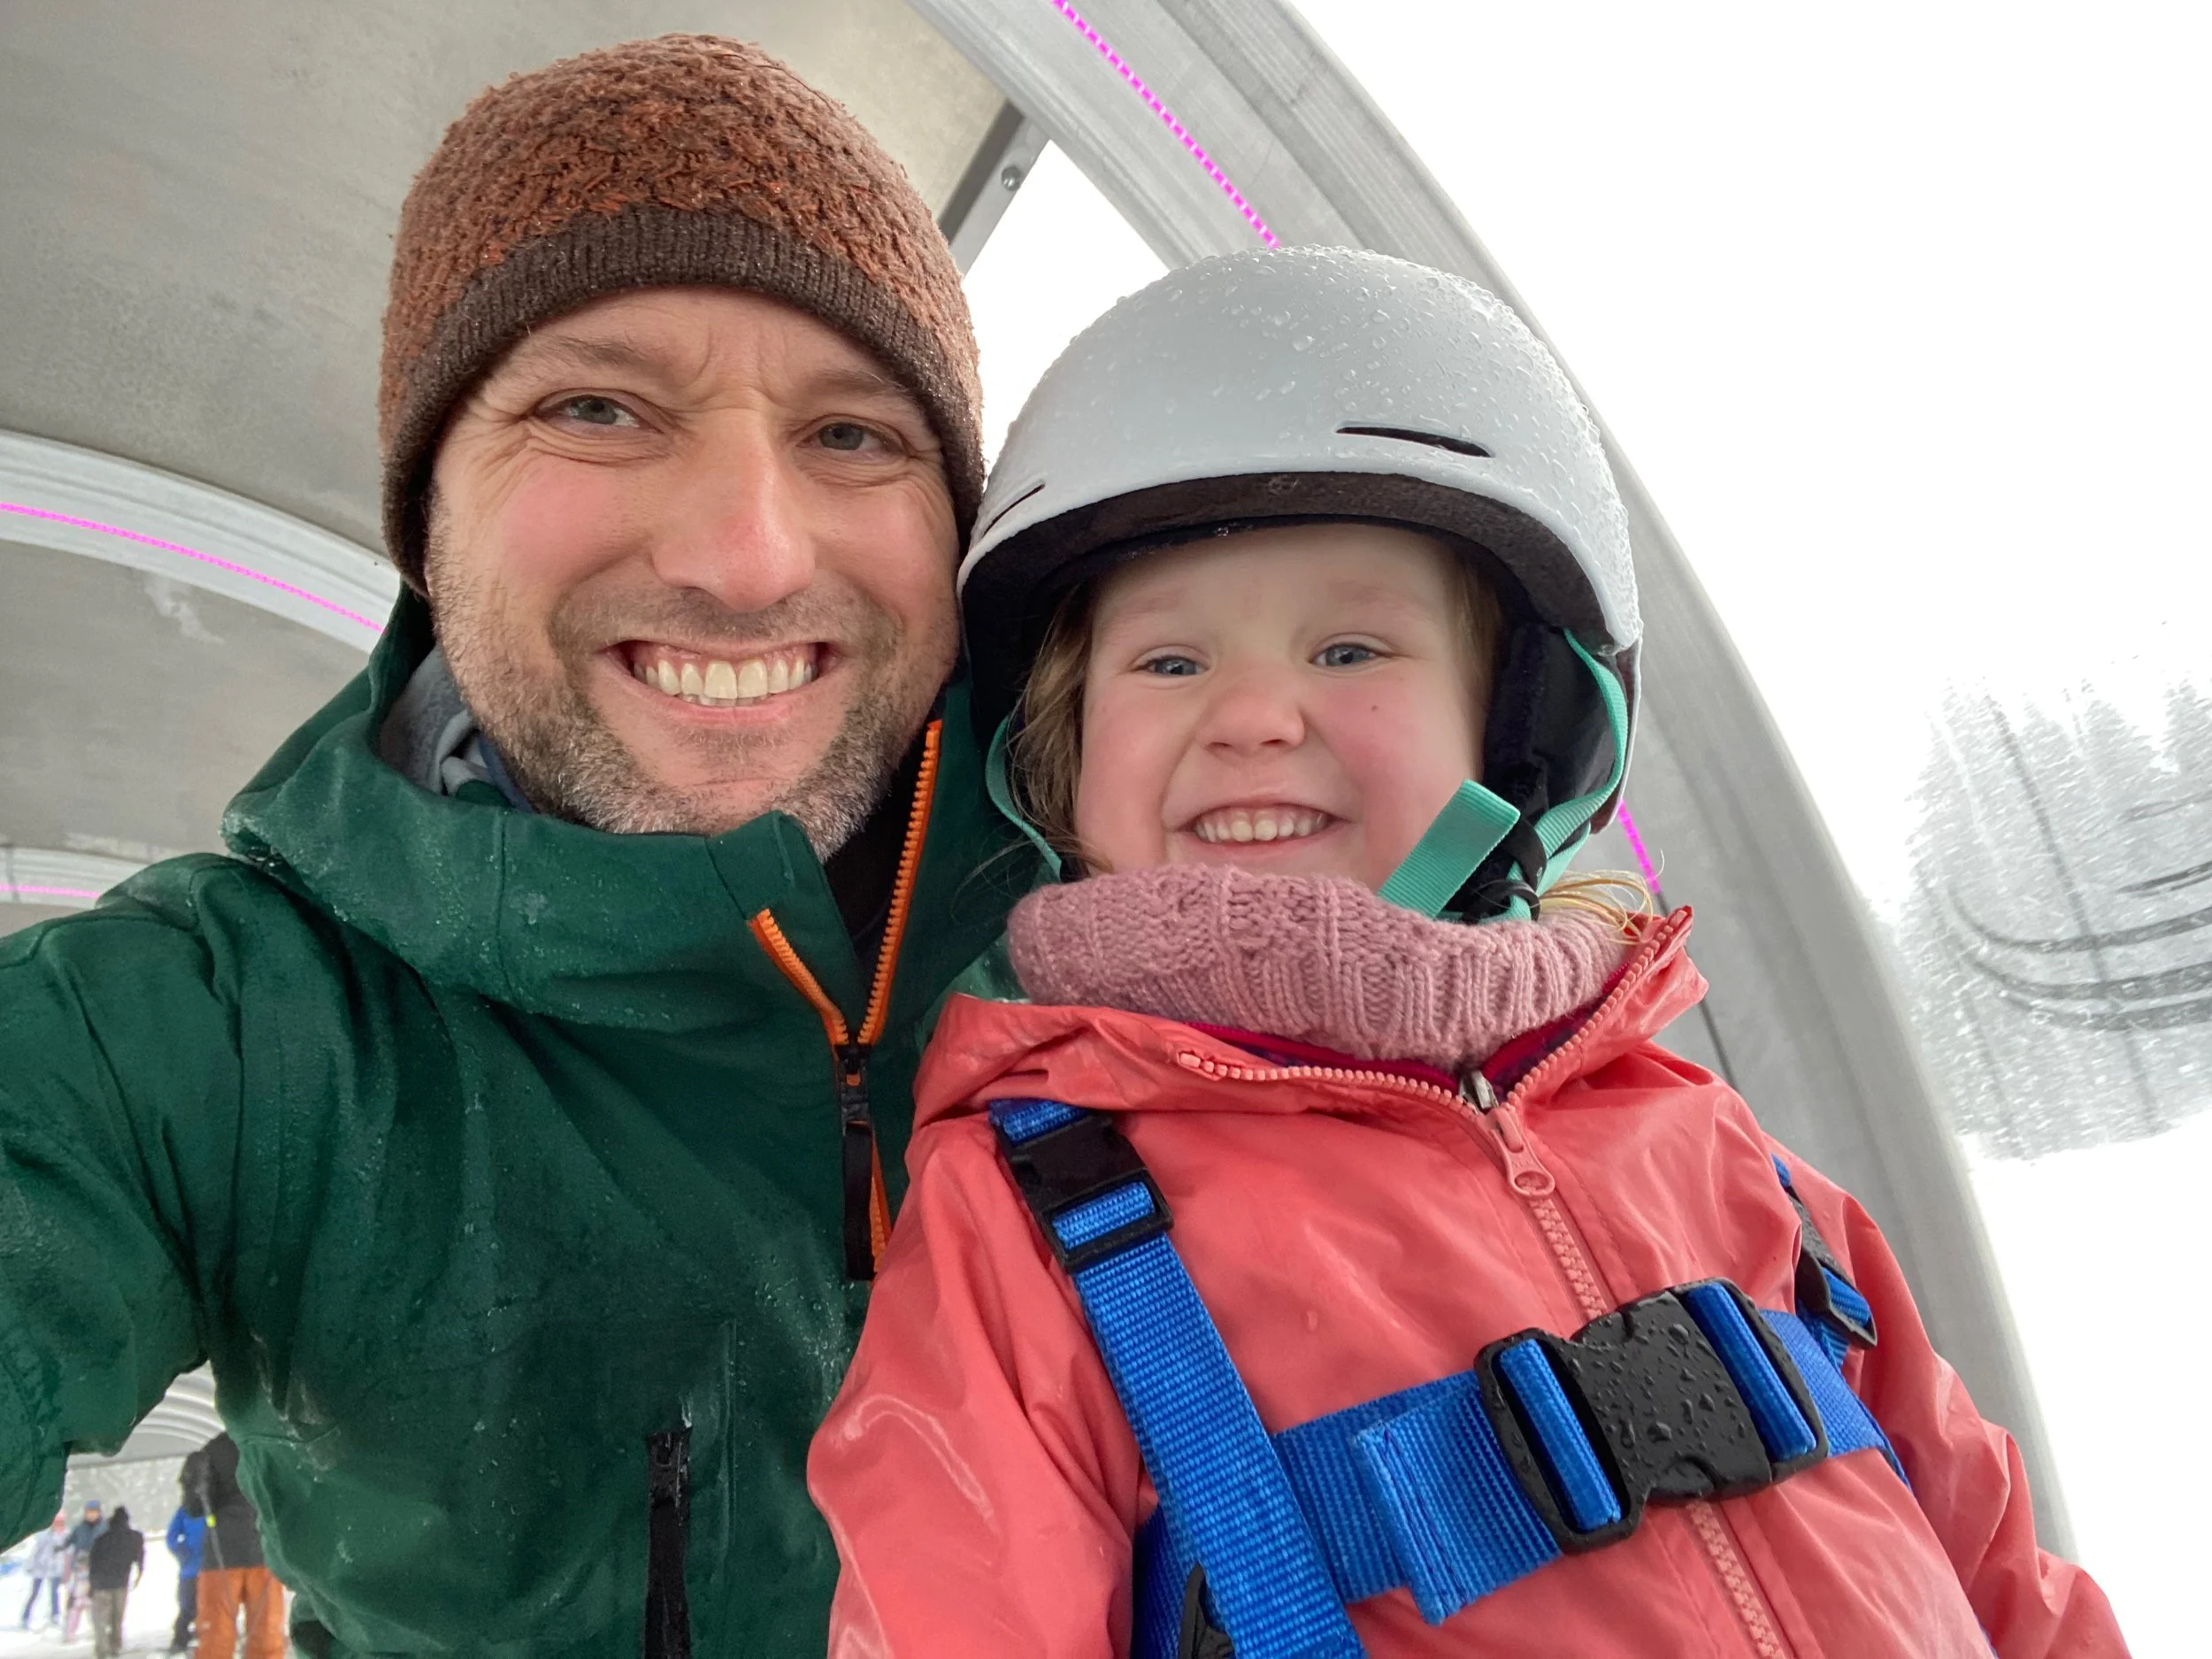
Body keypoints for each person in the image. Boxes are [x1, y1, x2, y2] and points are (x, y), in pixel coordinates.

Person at [809, 248, 2127, 1655]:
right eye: (1171, 663)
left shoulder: (1718, 1148)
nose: (1256, 715)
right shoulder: (1031, 1214)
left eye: (1353, 649)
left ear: (1514, 730)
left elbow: (2000, 1569)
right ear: (1063, 760)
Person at [0, 34, 1029, 1659]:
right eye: (599, 407)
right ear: (426, 526)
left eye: (853, 436)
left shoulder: (1147, 945)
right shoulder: (219, 1031)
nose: (748, 557)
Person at [184, 1435, 283, 1659]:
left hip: (224, 1556)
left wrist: (193, 1481)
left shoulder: (213, 1450)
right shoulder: (267, 1442)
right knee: (267, 1634)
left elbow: (194, 1507)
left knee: (217, 1634)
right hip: (262, 1552)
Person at [86, 1503, 143, 1659]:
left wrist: (91, 1584)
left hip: (101, 1585)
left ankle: (102, 1650)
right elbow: (140, 1558)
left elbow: (93, 1562)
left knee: (101, 1620)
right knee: (117, 1619)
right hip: (121, 1584)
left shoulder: (102, 1539)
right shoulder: (135, 1538)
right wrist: (139, 1574)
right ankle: (115, 1646)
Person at [165, 1487, 207, 1655]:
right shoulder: (185, 1510)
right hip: (191, 1570)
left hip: (213, 1569)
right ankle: (180, 1640)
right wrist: (181, 1552)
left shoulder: (216, 1508)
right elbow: (171, 1536)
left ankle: (206, 1637)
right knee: (188, 1608)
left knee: (212, 1607)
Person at [61, 1501, 102, 1643]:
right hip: (79, 1569)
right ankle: (70, 1632)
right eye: (89, 1512)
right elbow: (69, 1540)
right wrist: (62, 1546)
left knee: (93, 1602)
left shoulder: (103, 1527)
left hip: (97, 1569)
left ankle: (96, 1631)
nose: (91, 1515)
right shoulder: (80, 1528)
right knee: (75, 1602)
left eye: (94, 1512)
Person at [18, 1512, 67, 1629]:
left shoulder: (65, 1535)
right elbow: (35, 1551)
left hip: (54, 1570)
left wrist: (64, 1570)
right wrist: (30, 1566)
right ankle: (26, 1617)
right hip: (40, 1569)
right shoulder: (44, 1535)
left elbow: (66, 1554)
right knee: (35, 1593)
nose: (58, 1525)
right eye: (57, 1522)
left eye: (61, 1523)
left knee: (54, 1593)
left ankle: (55, 1616)